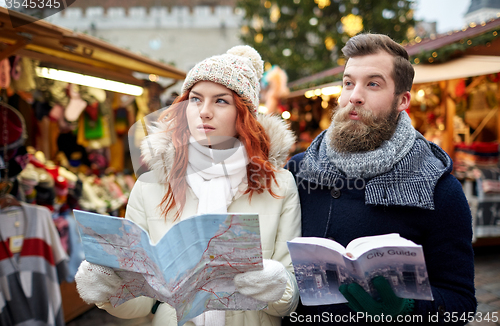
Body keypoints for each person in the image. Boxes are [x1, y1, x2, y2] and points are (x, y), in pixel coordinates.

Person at [74, 45, 301, 326]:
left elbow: (289, 300)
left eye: (221, 101)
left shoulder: (279, 185)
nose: (204, 112)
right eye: (195, 99)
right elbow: (142, 303)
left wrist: (275, 285)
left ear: (244, 114)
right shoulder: (150, 185)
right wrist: (110, 289)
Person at [283, 33, 476, 325]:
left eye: (373, 84)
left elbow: (460, 304)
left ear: (403, 100)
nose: (354, 96)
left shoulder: (439, 189)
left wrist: (408, 309)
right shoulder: (297, 170)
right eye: (348, 82)